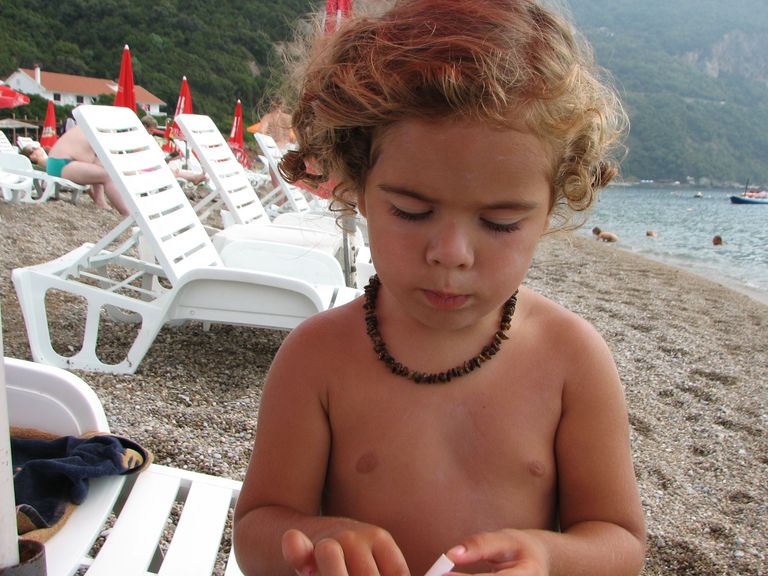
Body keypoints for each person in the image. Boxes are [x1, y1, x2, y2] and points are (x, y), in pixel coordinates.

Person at [234, 1, 646, 575]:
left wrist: (549, 558)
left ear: (551, 208)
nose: (451, 253)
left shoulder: (572, 360)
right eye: (411, 211)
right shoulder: (317, 357)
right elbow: (257, 528)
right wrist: (320, 538)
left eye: (500, 222)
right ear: (357, 186)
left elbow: (620, 543)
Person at [44, 126, 129, 215]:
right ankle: (127, 213)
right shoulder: (100, 131)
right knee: (107, 176)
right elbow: (93, 160)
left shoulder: (88, 126)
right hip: (63, 164)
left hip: (58, 162)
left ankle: (100, 201)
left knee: (100, 169)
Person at [140, 115, 207, 186]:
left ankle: (195, 178)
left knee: (174, 170)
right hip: (147, 169)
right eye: (151, 130)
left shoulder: (146, 140)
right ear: (144, 127)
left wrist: (170, 158)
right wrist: (168, 159)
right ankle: (194, 178)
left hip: (152, 167)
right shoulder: (141, 141)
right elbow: (145, 160)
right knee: (174, 172)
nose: (152, 133)